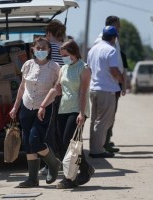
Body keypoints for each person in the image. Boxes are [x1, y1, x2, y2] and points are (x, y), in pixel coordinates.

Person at [37, 39, 94, 189]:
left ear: (74, 52)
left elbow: (83, 92)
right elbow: (56, 89)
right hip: (63, 108)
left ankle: (69, 178)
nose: (63, 58)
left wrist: (81, 113)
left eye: (65, 55)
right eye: (61, 55)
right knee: (62, 144)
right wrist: (43, 105)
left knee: (69, 142)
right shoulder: (64, 68)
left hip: (77, 109)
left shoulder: (84, 68)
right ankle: (83, 169)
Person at [9, 37, 61, 188]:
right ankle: (32, 179)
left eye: (44, 48)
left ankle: (53, 163)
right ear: (32, 49)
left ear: (49, 50)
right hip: (26, 106)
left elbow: (57, 90)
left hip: (43, 108)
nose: (41, 51)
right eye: (38, 48)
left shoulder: (54, 67)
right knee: (28, 143)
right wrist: (15, 107)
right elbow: (22, 87)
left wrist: (45, 104)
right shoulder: (27, 65)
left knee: (34, 140)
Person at [88, 26, 124, 158]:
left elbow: (89, 69)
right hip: (107, 89)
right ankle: (97, 150)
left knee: (95, 121)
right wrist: (122, 79)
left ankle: (94, 147)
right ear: (114, 38)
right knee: (104, 121)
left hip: (94, 88)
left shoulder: (93, 49)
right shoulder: (111, 50)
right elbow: (114, 70)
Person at [94, 16, 127, 152]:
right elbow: (111, 66)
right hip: (106, 84)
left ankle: (105, 141)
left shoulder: (114, 40)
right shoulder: (103, 40)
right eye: (118, 26)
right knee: (105, 116)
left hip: (111, 84)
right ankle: (101, 145)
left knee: (110, 116)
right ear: (113, 25)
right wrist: (120, 80)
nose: (119, 28)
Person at [39, 19, 66, 176]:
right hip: (61, 93)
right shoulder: (64, 49)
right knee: (57, 130)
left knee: (49, 130)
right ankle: (60, 160)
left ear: (49, 33)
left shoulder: (50, 49)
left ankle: (51, 164)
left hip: (51, 93)